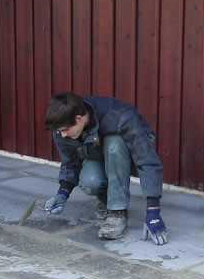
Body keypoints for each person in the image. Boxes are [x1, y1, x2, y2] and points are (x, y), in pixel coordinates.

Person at [43, 92, 168, 245]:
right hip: (99, 154)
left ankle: (117, 212)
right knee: (90, 182)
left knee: (113, 143)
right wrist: (62, 193)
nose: (62, 135)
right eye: (59, 131)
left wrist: (153, 211)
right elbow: (71, 163)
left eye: (65, 130)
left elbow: (147, 161)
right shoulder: (63, 128)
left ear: (78, 118)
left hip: (130, 152)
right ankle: (108, 201)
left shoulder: (121, 116)